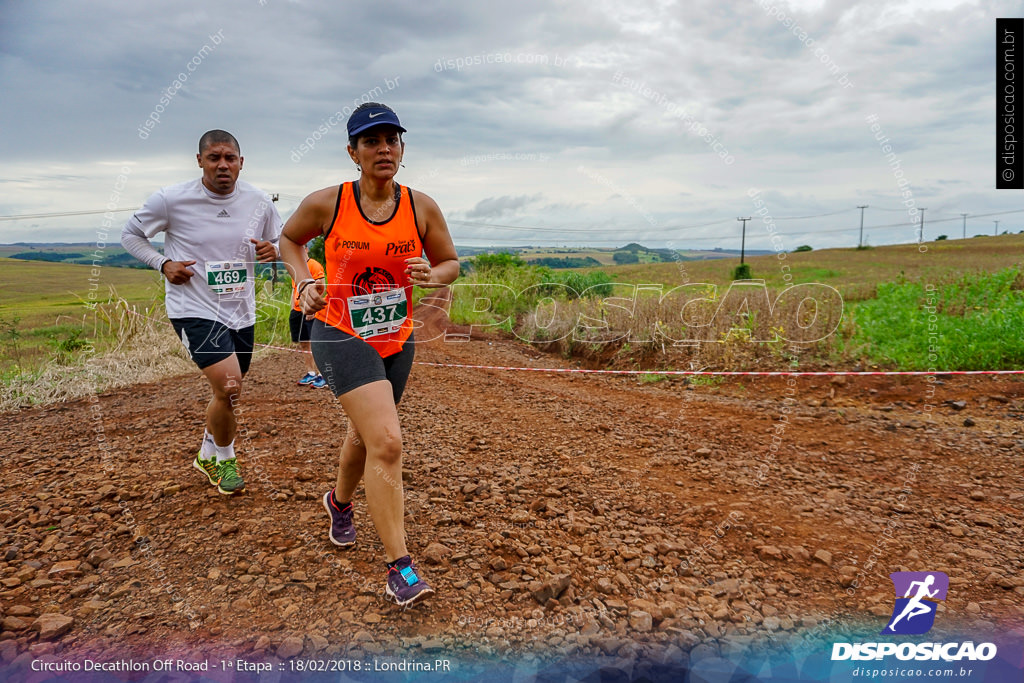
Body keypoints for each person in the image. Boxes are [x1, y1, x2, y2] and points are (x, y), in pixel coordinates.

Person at [279, 103, 458, 607]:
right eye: (371, 141)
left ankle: (338, 503)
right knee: (388, 442)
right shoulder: (327, 203)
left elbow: (450, 262)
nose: (384, 148)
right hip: (338, 332)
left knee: (366, 433)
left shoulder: (420, 206)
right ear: (352, 152)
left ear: (402, 148)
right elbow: (289, 241)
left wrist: (433, 275)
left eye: (392, 140)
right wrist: (305, 281)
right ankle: (400, 568)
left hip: (396, 338)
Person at [121, 129, 282, 495]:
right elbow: (130, 235)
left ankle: (206, 452)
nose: (222, 165)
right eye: (214, 158)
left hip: (241, 311)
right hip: (193, 307)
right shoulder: (171, 199)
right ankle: (225, 461)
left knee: (228, 393)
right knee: (230, 385)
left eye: (230, 158)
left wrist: (272, 249)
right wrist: (162, 264)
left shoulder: (259, 200)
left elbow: (280, 237)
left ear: (241, 163)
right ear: (200, 162)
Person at [290, 249, 327, 388]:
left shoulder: (314, 265)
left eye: (301, 246)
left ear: (306, 249)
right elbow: (294, 287)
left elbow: (320, 287)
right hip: (297, 310)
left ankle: (323, 375)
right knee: (304, 343)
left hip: (310, 310)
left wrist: (312, 307)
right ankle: (311, 373)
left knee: (317, 344)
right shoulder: (295, 266)